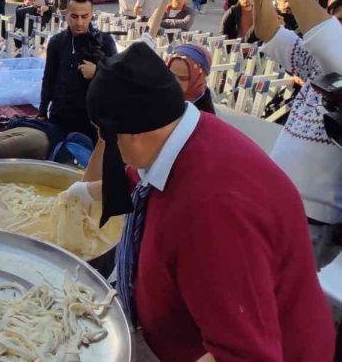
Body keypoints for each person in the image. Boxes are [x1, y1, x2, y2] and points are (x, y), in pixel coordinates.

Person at [65, 41, 335, 362]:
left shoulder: (214, 214)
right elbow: (137, 179)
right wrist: (84, 193)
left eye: (108, 138)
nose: (111, 150)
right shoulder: (178, 134)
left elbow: (245, 354)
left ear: (133, 134)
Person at [254, 0, 342, 270]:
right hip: (272, 197)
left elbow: (332, 46)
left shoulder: (334, 54)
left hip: (311, 221)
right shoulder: (317, 62)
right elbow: (269, 33)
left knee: (285, 305)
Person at [39, 0, 117, 141]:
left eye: (84, 16)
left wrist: (97, 72)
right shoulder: (56, 42)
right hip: (60, 118)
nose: (79, 22)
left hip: (92, 122)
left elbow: (118, 79)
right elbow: (49, 78)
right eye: (74, 16)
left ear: (91, 14)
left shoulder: (105, 42)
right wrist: (42, 111)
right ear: (66, 14)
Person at [166, 44, 215, 113]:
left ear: (198, 80)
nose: (175, 82)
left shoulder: (204, 118)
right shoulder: (161, 97)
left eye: (183, 78)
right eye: (171, 75)